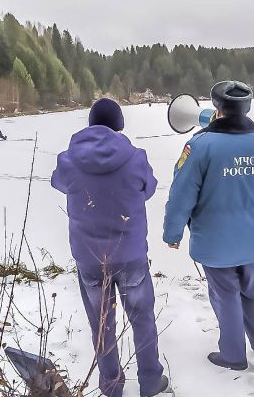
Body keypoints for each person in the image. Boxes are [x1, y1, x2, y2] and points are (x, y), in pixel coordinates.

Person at [51, 98, 169, 397]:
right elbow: (149, 188)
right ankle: (151, 381)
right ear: (119, 126)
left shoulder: (68, 159)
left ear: (91, 124)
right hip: (129, 254)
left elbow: (60, 183)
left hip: (89, 258)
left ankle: (111, 385)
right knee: (142, 319)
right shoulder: (136, 157)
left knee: (102, 325)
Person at [163, 81, 254, 371]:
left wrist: (172, 232)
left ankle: (233, 355)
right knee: (253, 291)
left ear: (217, 107)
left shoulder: (199, 146)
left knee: (225, 294)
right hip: (251, 238)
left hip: (215, 241)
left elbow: (182, 193)